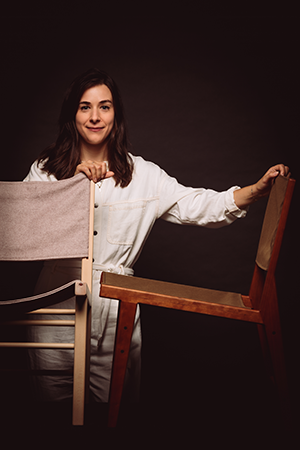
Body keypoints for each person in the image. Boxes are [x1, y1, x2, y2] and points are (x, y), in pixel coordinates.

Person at [24, 67, 289, 404]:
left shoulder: (143, 174)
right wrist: (71, 187)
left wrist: (256, 190)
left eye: (104, 107)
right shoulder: (46, 169)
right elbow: (23, 230)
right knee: (48, 416)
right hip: (54, 305)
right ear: (71, 115)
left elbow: (198, 204)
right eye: (84, 106)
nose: (95, 116)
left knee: (113, 417)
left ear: (115, 115)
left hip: (117, 308)